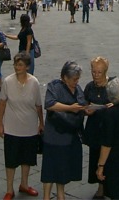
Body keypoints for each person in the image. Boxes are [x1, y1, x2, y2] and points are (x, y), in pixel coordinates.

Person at [0, 52, 44, 200]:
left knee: (27, 158)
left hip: (29, 127)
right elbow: (2, 103)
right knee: (10, 160)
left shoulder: (34, 82)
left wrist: (41, 123)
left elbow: (38, 105)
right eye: (15, 64)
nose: (17, 67)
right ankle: (9, 189)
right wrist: (0, 124)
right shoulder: (7, 81)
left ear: (27, 67)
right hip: (12, 127)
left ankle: (24, 184)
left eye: (20, 65)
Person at [41, 61, 86, 200]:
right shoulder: (54, 86)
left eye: (78, 78)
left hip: (70, 135)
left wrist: (86, 110)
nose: (76, 81)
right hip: (54, 135)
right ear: (65, 77)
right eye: (74, 79)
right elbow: (49, 104)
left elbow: (81, 105)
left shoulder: (77, 89)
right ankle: (46, 197)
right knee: (50, 168)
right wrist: (70, 108)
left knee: (62, 168)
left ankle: (61, 194)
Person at [83, 57, 114, 200]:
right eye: (93, 72)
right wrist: (87, 110)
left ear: (105, 72)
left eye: (99, 72)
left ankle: (110, 187)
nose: (95, 75)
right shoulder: (90, 86)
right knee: (96, 157)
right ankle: (100, 187)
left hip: (109, 128)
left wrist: (112, 106)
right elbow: (84, 103)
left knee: (110, 159)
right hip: (95, 128)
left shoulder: (113, 85)